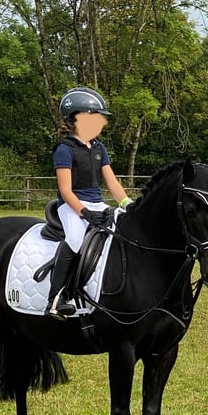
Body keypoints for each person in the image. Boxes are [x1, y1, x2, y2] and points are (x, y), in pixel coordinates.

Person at [45, 87, 133, 319]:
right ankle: (56, 298)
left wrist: (127, 203)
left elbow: (111, 182)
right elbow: (65, 190)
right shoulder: (64, 149)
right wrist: (84, 213)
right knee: (75, 239)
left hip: (98, 204)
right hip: (72, 206)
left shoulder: (98, 148)